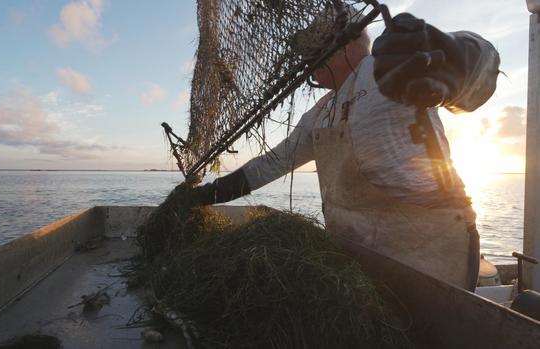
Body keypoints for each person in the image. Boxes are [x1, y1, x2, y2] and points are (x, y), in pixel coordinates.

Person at [192, 13, 500, 291]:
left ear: (346, 44)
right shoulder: (320, 114)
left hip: (429, 247)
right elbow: (271, 164)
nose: (307, 59)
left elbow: (482, 62)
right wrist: (209, 194)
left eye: (314, 47)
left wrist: (453, 58)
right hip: (361, 254)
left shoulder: (390, 69)